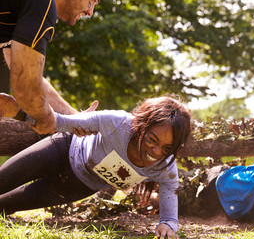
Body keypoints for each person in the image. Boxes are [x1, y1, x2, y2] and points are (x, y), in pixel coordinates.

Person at [0, 96, 191, 239]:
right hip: (62, 150)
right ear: (141, 126)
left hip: (77, 186)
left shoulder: (165, 168)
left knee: (3, 206)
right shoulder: (117, 123)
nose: (156, 152)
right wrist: (20, 113)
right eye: (152, 140)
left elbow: (169, 217)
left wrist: (167, 226)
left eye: (167, 148)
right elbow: (59, 122)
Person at [0, 0, 100, 134]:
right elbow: (26, 84)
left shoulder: (22, 7)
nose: (90, 12)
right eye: (91, 2)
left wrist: (74, 117)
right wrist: (47, 119)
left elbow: (24, 72)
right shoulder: (42, 3)